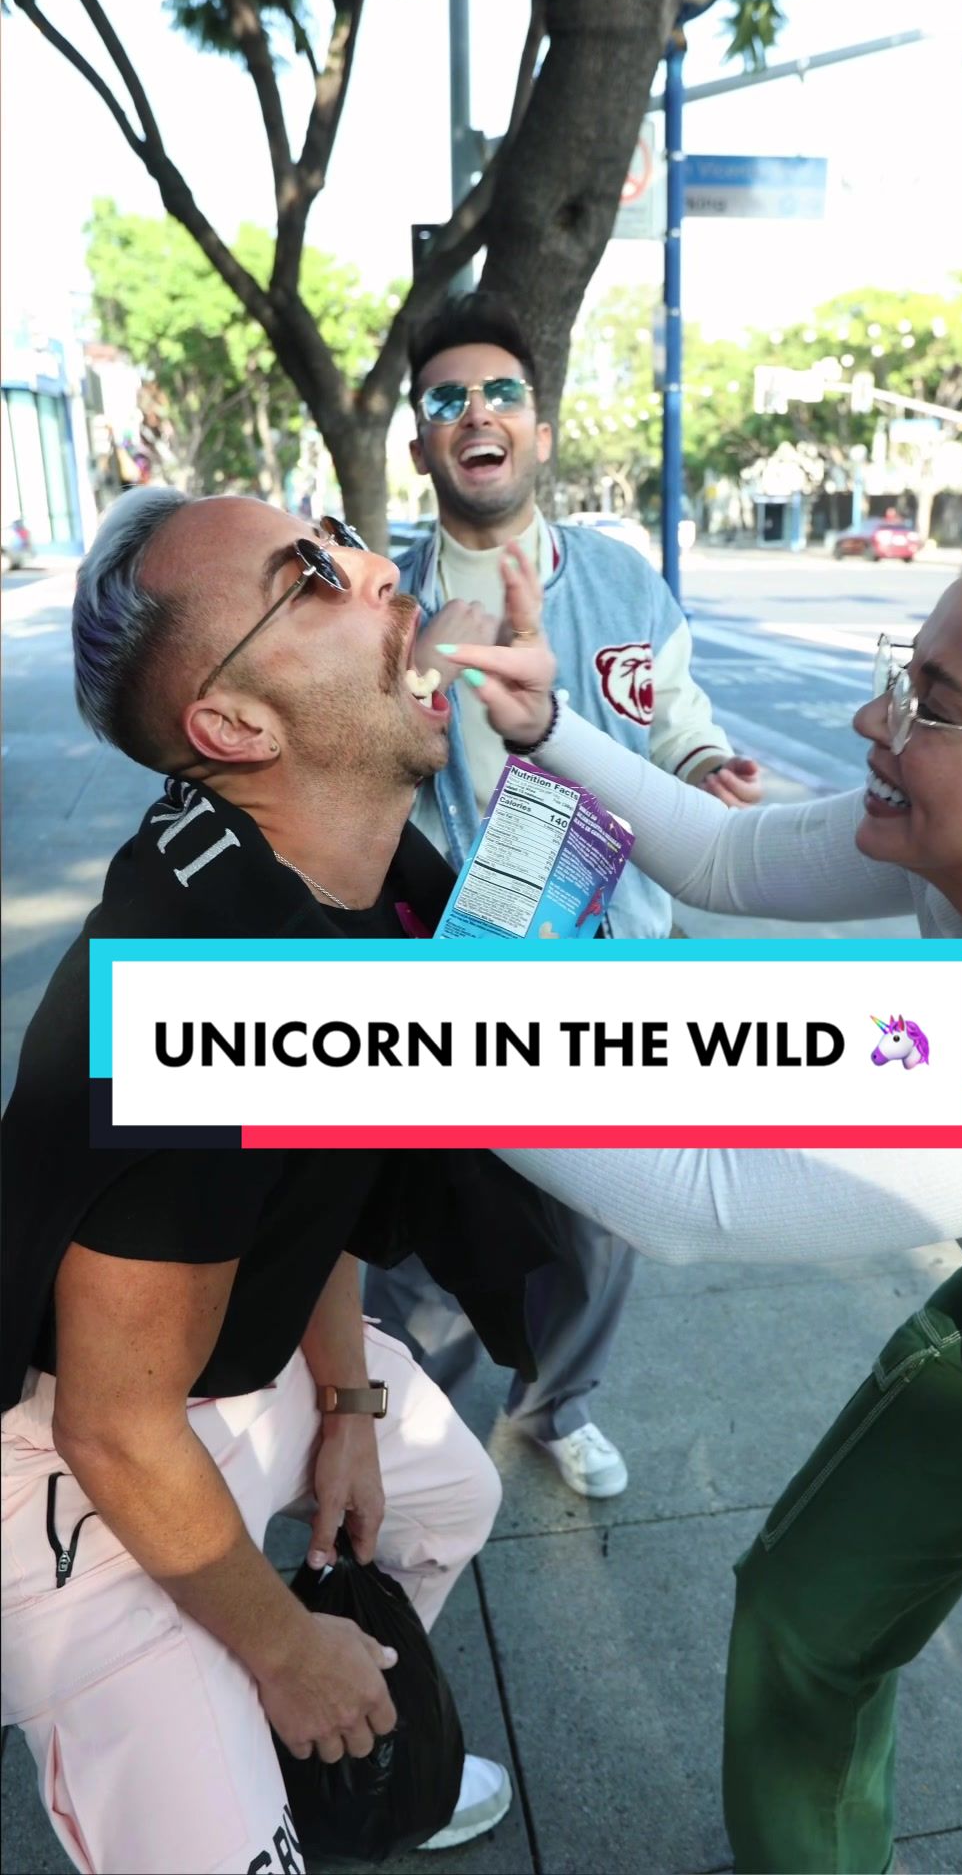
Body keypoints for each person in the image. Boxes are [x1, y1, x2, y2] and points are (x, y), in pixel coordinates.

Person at [438, 531, 962, 1872]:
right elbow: (726, 856)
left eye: (935, 704)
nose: (871, 722)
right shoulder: (961, 847)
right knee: (806, 1610)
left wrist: (391, 1040)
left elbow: (704, 1197)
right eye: (900, 673)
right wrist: (545, 725)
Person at [0, 489, 561, 1874]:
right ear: (236, 727)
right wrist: (284, 1647)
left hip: (236, 1379)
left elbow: (319, 1182)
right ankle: (280, 1730)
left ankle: (317, 1733)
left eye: (339, 538)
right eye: (310, 574)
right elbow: (116, 1428)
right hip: (86, 1466)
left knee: (449, 1496)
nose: (376, 567)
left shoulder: (371, 880)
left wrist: (351, 1403)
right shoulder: (186, 989)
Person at [364, 290, 762, 1502]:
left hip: (611, 958)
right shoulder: (383, 603)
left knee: (604, 1229)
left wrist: (706, 766)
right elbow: (353, 766)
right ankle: (393, 1430)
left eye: (501, 393)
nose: (475, 412)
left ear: (538, 429)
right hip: (443, 962)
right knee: (419, 1228)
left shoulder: (625, 583)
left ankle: (555, 1406)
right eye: (447, 398)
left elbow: (675, 720)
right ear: (422, 441)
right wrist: (413, 675)